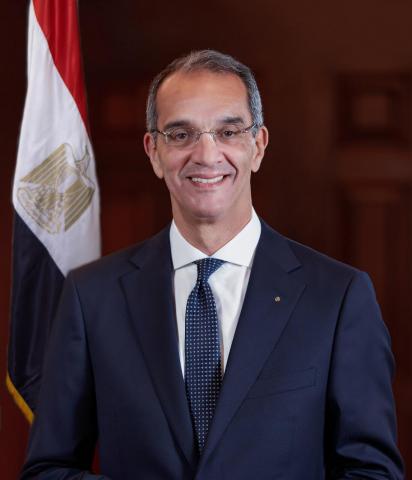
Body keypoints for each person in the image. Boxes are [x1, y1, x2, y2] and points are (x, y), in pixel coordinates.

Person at [21, 50, 404, 480]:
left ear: (258, 146)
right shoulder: (92, 296)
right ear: (154, 151)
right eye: (181, 134)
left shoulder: (337, 297)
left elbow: (373, 472)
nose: (206, 155)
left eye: (228, 132)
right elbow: (47, 470)